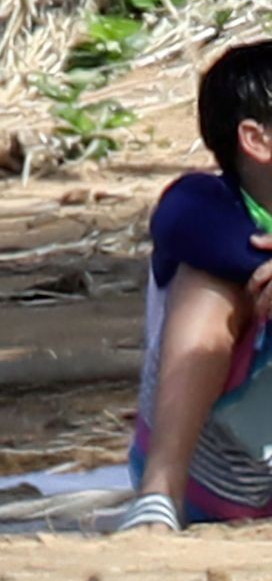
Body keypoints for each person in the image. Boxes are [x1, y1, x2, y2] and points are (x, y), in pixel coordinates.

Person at [119, 40, 272, 531]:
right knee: (209, 284)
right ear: (257, 140)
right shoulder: (204, 205)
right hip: (208, 481)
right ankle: (158, 493)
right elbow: (182, 224)